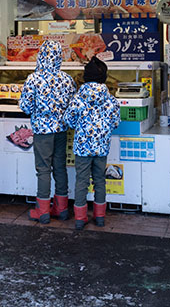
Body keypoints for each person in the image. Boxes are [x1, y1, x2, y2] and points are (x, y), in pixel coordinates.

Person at [18, 40, 77, 223]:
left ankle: (42, 210)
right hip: (61, 130)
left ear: (41, 56)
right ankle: (61, 208)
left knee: (43, 169)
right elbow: (73, 105)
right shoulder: (67, 79)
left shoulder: (33, 79)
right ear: (60, 56)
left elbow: (25, 107)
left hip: (42, 131)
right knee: (59, 166)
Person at [62, 57, 120, 230]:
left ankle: (80, 218)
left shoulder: (78, 99)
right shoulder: (111, 100)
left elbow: (68, 120)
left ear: (86, 78)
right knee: (100, 180)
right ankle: (100, 216)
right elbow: (115, 122)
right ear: (104, 78)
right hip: (102, 147)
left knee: (81, 181)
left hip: (82, 148)